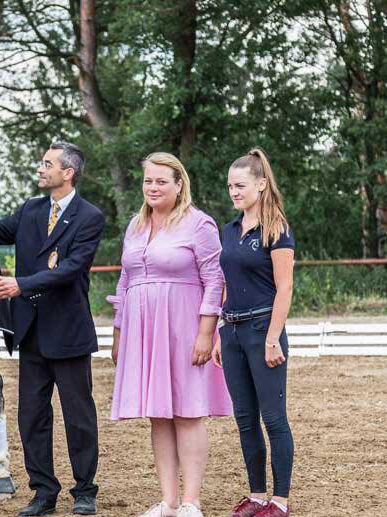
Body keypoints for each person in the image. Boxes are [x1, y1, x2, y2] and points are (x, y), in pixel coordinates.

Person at [0, 142, 105, 516]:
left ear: (68, 173)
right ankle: (43, 492)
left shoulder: (89, 216)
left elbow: (72, 269)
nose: (41, 168)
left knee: (78, 417)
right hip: (32, 331)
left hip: (67, 331)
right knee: (32, 417)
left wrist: (21, 284)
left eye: (47, 163)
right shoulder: (31, 210)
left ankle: (84, 491)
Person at [107, 152, 232, 517]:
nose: (153, 187)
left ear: (179, 185)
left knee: (188, 412)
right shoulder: (135, 226)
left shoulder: (199, 224)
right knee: (158, 414)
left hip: (183, 326)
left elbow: (215, 280)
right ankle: (169, 501)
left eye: (162, 181)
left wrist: (206, 333)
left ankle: (192, 501)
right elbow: (125, 278)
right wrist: (118, 331)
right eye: (148, 180)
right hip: (142, 329)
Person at [212, 148, 295, 517]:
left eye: (240, 185)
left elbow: (285, 288)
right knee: (244, 418)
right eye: (230, 186)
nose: (234, 191)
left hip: (263, 329)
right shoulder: (228, 230)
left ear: (261, 184)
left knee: (273, 418)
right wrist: (218, 331)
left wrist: (273, 337)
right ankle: (257, 495)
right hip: (231, 332)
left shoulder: (277, 230)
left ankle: (280, 500)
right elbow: (227, 282)